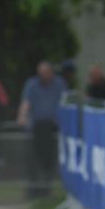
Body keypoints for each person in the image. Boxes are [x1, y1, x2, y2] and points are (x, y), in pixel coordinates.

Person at [17, 60, 65, 198]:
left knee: (50, 160)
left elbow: (65, 102)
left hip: (53, 129)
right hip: (36, 130)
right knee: (33, 160)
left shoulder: (59, 84)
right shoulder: (32, 84)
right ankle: (34, 189)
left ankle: (47, 188)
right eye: (40, 73)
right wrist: (22, 116)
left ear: (51, 73)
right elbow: (25, 102)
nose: (42, 76)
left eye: (45, 73)